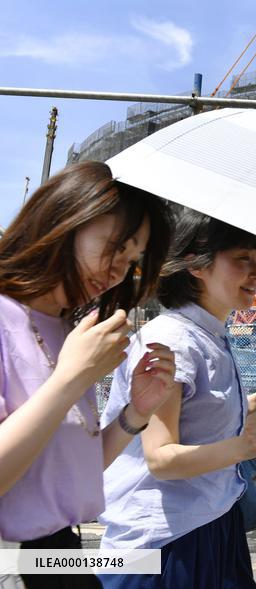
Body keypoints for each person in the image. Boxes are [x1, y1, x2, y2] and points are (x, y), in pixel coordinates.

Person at [98, 210, 256, 589]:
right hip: (167, 542)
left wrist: (251, 404)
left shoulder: (208, 334)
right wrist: (244, 445)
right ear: (196, 265)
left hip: (210, 520)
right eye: (242, 259)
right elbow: (161, 458)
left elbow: (195, 419)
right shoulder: (174, 340)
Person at [0, 161, 175, 589]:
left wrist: (135, 414)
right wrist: (70, 380)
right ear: (64, 220)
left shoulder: (66, 329)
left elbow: (67, 471)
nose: (119, 271)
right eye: (116, 247)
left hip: (59, 556)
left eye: (132, 261)